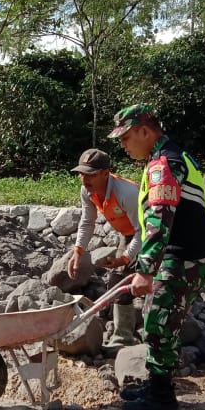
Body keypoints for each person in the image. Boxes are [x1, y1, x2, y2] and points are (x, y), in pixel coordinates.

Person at [108, 105, 205, 410]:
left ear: (146, 131)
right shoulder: (170, 157)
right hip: (182, 255)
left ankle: (161, 396)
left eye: (127, 137)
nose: (123, 145)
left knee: (157, 323)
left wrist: (145, 269)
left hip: (183, 257)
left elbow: (159, 219)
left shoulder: (164, 164)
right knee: (162, 322)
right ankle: (157, 386)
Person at [68, 148, 143, 349]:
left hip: (155, 235)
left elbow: (143, 232)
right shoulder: (88, 191)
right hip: (128, 235)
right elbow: (87, 221)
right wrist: (78, 251)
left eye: (90, 174)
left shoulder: (127, 193)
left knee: (151, 279)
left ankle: (160, 334)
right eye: (82, 174)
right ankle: (124, 338)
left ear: (105, 173)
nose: (85, 179)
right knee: (118, 282)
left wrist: (126, 258)